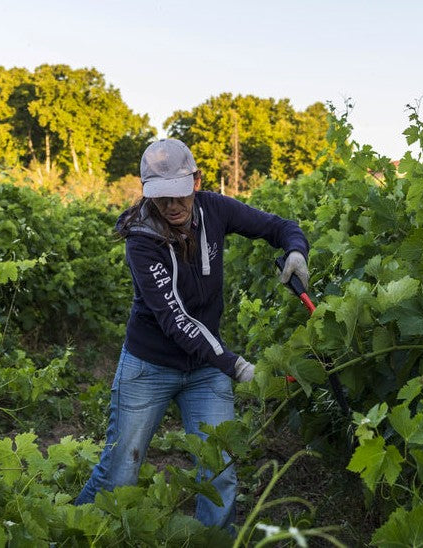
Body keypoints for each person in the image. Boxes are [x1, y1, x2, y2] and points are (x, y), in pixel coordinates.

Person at [75, 138, 309, 530]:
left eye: (179, 194)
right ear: (148, 192)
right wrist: (234, 365)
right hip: (148, 367)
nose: (171, 206)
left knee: (219, 473)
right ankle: (70, 534)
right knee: (120, 472)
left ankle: (214, 540)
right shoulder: (141, 239)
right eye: (161, 197)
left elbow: (278, 227)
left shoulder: (216, 209)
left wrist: (296, 249)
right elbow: (176, 319)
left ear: (196, 181)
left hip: (204, 369)